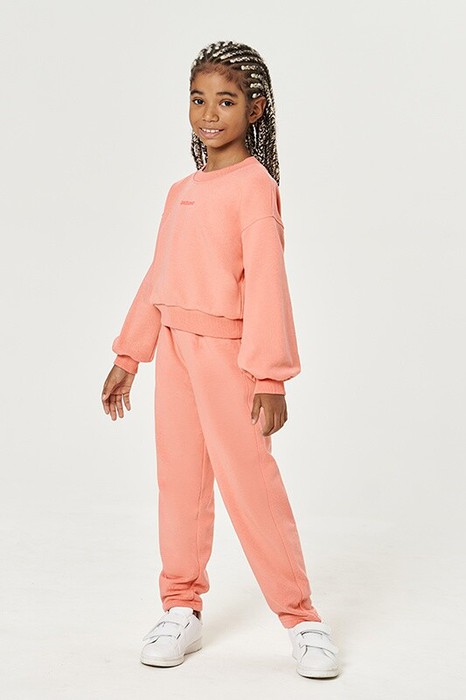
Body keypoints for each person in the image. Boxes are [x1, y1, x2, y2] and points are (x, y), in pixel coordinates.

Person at [101, 40, 340, 679]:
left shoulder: (255, 189)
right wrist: (130, 353)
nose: (209, 114)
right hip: (175, 352)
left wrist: (270, 376)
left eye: (226, 101)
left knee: (250, 484)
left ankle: (301, 618)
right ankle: (180, 606)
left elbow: (266, 282)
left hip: (230, 357)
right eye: (198, 99)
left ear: (255, 110)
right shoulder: (180, 190)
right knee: (179, 481)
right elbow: (161, 275)